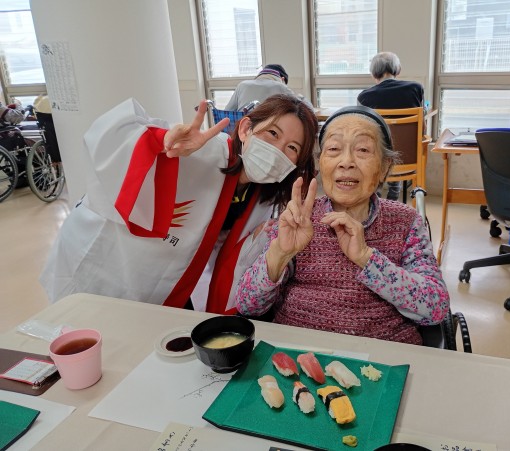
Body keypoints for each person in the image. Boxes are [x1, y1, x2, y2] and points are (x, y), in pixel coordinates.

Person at [40, 94, 318, 313]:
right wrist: (159, 143)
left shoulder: (264, 199)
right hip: (107, 263)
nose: (277, 150)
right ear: (246, 128)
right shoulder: (199, 149)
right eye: (272, 134)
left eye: (292, 147)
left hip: (165, 283)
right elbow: (112, 137)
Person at [235, 106, 449, 345]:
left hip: (384, 357)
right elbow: (248, 306)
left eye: (363, 150)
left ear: (384, 167)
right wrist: (279, 254)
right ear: (321, 163)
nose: (346, 162)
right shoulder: (298, 219)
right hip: (298, 352)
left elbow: (436, 308)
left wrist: (367, 258)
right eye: (334, 149)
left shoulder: (405, 221)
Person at [357, 51, 424, 201]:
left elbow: (363, 131)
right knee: (397, 144)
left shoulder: (364, 96)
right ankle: (394, 194)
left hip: (378, 159)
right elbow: (422, 129)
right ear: (398, 70)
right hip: (407, 158)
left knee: (377, 143)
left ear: (373, 74)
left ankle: (376, 195)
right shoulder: (415, 88)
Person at [225, 64, 312, 111]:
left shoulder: (242, 85)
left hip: (242, 134)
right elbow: (309, 110)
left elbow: (227, 112)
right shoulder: (281, 87)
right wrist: (300, 96)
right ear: (282, 79)